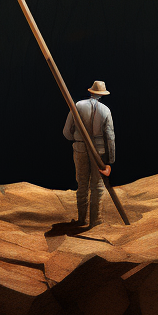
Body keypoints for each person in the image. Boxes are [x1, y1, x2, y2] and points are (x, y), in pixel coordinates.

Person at [63, 80, 115, 228]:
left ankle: (81, 220)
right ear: (102, 95)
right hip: (99, 152)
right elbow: (110, 137)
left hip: (80, 149)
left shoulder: (78, 106)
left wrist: (78, 139)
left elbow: (66, 132)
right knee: (97, 186)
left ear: (91, 91)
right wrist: (109, 161)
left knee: (82, 185)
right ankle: (95, 220)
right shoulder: (106, 111)